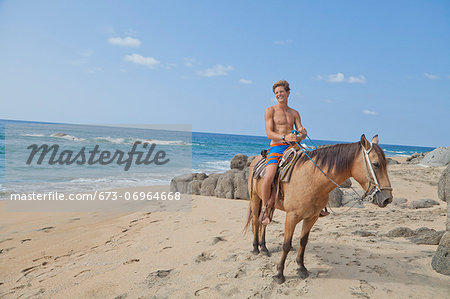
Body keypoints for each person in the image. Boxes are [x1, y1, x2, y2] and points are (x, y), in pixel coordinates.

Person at [261, 80, 328, 225]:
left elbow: (300, 131)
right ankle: (265, 209)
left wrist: (303, 133)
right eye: (277, 92)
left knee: (314, 168)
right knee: (269, 176)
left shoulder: (294, 113)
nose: (279, 94)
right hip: (277, 147)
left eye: (282, 92)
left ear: (288, 93)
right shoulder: (270, 111)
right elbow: (269, 133)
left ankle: (319, 204)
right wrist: (284, 137)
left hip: (294, 147)